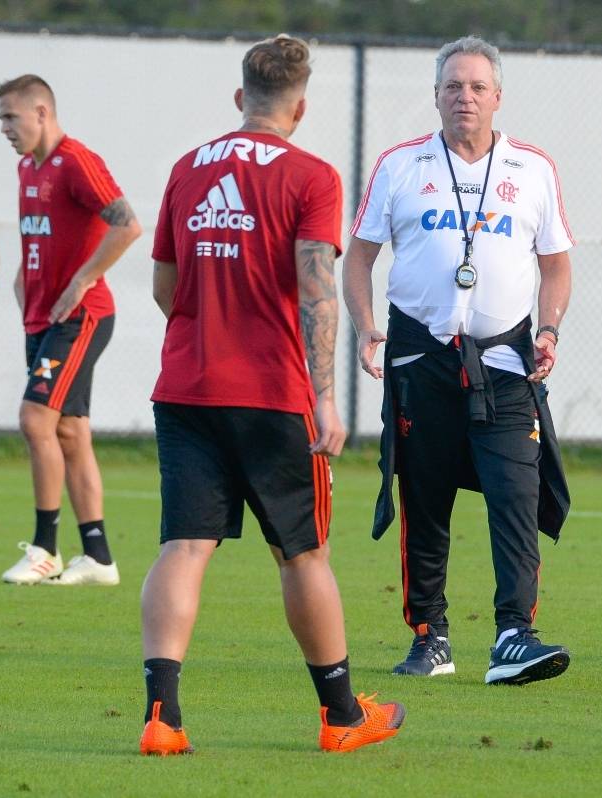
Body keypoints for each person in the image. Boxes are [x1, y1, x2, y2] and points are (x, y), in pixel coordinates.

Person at [138, 35, 405, 756]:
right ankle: (344, 717)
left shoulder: (188, 168)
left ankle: (162, 719)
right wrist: (325, 396)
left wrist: (207, 331)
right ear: (301, 106)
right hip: (273, 395)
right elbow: (318, 290)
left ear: (239, 99)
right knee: (303, 555)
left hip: (187, 388)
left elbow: (164, 286)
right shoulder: (312, 176)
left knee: (184, 548)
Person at [343, 36, 575, 686]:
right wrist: (365, 327)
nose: (464, 97)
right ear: (437, 94)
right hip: (421, 355)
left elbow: (556, 266)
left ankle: (514, 636)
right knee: (425, 498)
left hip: (506, 358)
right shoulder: (400, 164)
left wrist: (550, 329)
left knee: (516, 496)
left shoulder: (532, 169)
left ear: (498, 97)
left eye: (476, 87)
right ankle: (430, 636)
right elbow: (358, 257)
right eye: (453, 86)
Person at [0, 75, 142, 586]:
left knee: (35, 418)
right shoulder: (25, 168)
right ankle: (98, 557)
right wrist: (22, 285)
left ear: (41, 112)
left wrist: (82, 279)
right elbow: (37, 239)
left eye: (11, 117)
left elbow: (127, 225)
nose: (5, 128)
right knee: (70, 432)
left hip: (81, 317)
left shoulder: (76, 161)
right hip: (41, 318)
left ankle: (44, 549)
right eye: (0, 120)